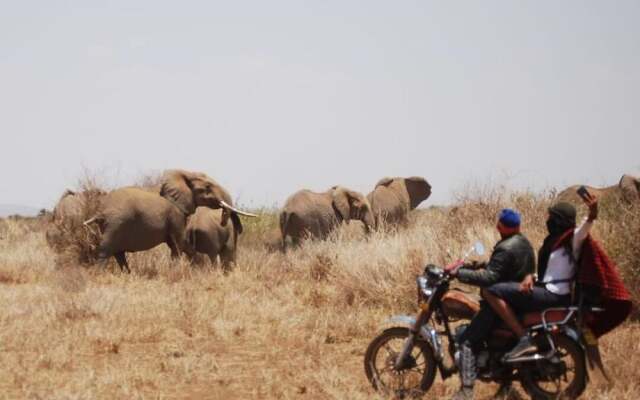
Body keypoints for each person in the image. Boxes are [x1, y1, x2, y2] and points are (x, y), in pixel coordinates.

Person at [482, 192, 598, 362]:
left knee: (490, 290)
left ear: (560, 220)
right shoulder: (553, 241)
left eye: (552, 217)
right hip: (545, 289)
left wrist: (592, 213)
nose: (548, 220)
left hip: (553, 295)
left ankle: (523, 338)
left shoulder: (572, 239)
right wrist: (531, 276)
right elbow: (551, 272)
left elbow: (585, 228)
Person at [446, 208, 535, 400]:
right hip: (517, 301)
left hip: (500, 303)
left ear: (500, 226)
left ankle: (466, 390)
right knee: (496, 341)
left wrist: (459, 274)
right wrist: (476, 265)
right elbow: (502, 268)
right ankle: (505, 383)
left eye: (499, 224)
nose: (497, 227)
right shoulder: (524, 243)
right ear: (518, 226)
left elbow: (490, 277)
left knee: (467, 340)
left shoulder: (505, 247)